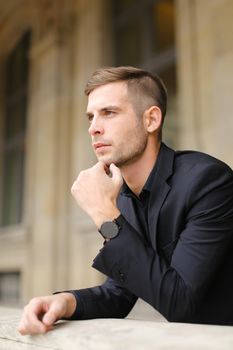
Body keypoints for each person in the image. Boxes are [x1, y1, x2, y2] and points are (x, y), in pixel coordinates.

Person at [18, 66, 233, 335]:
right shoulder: (121, 195)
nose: (93, 129)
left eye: (109, 113)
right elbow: (120, 292)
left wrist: (103, 214)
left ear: (151, 120)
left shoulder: (207, 181)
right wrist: (65, 301)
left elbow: (180, 301)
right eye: (91, 117)